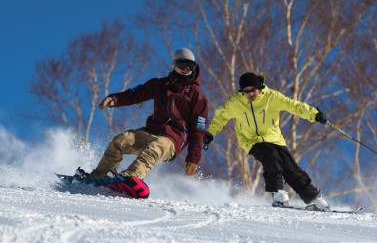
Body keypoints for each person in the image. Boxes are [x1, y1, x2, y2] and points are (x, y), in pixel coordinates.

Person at [82, 48, 209, 185]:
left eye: (190, 66)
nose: (186, 70)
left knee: (153, 149)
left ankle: (130, 178)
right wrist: (114, 99)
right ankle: (99, 177)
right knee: (121, 140)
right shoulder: (160, 85)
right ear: (174, 65)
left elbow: (198, 130)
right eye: (181, 65)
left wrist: (193, 158)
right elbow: (136, 94)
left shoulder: (198, 96)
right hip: (151, 131)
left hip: (174, 139)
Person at [203, 72, 329, 210]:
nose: (250, 94)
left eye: (253, 90)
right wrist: (210, 134)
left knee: (290, 167)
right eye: (246, 91)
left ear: (259, 87)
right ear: (242, 92)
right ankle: (277, 194)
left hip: (274, 139)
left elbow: (293, 106)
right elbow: (220, 117)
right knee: (271, 157)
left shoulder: (272, 97)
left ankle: (314, 198)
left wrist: (314, 114)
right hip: (251, 140)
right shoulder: (235, 103)